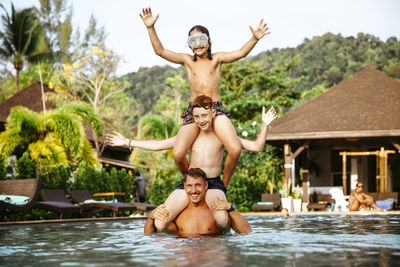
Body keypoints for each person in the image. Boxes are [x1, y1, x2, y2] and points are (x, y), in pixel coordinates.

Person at [139, 7, 271, 189]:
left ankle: (222, 184)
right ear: (189, 45)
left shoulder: (216, 60)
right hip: (195, 112)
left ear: (209, 42)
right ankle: (192, 182)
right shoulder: (187, 61)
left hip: (215, 110)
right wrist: (150, 28)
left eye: (202, 39)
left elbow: (241, 53)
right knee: (178, 154)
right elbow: (160, 51)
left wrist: (254, 38)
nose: (198, 43)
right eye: (193, 40)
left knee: (235, 148)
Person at [106, 95, 276, 232]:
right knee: (160, 222)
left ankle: (221, 241)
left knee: (223, 220)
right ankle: (180, 236)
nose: (201, 120)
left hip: (213, 183)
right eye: (196, 117)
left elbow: (256, 146)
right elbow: (158, 144)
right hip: (189, 184)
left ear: (213, 114)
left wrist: (265, 125)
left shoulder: (222, 136)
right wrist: (127, 142)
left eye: (204, 115)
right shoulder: (189, 137)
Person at [144, 168, 252, 235]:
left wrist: (230, 207)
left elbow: (246, 231)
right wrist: (150, 218)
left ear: (206, 186)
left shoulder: (215, 211)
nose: (194, 190)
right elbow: (149, 236)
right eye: (190, 186)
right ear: (185, 187)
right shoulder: (178, 216)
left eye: (198, 185)